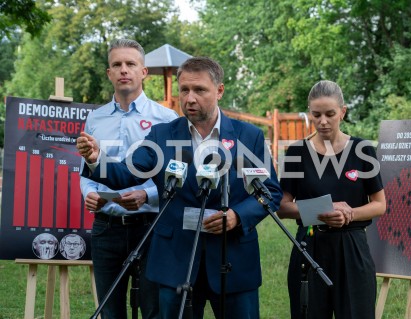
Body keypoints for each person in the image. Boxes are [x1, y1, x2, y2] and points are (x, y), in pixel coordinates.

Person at [77, 56, 282, 319]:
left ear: (219, 90)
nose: (190, 98)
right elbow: (126, 173)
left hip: (233, 258)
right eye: (184, 90)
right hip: (176, 261)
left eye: (199, 90)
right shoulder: (162, 135)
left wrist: (237, 216)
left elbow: (270, 192)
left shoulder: (247, 136)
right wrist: (95, 159)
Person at [80, 38, 178, 319]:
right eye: (117, 65)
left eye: (130, 64)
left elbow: (176, 176)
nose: (124, 70)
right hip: (106, 229)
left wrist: (149, 195)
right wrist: (88, 193)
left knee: (153, 309)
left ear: (144, 72)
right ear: (109, 73)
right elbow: (85, 169)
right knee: (109, 311)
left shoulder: (166, 118)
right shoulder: (95, 119)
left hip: (151, 228)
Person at [277, 80, 386, 319]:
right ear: (310, 114)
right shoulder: (296, 153)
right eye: (316, 115)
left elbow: (380, 204)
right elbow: (282, 207)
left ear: (343, 112)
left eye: (330, 114)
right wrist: (322, 210)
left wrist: (349, 214)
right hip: (309, 245)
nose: (323, 121)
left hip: (353, 247)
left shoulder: (362, 150)